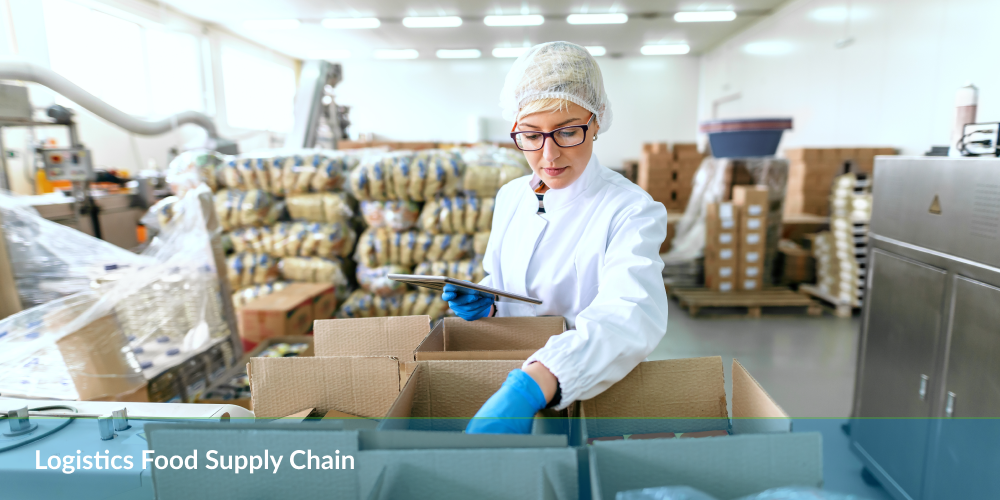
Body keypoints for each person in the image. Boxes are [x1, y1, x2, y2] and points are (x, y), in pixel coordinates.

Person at [441, 41, 669, 434]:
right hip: (509, 372)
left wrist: (532, 386)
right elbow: (510, 280)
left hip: (589, 392)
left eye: (567, 132)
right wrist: (488, 301)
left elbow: (629, 315)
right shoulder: (511, 197)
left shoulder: (631, 209)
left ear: (596, 123)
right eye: (530, 135)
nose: (548, 155)